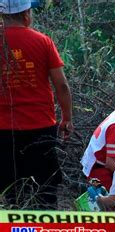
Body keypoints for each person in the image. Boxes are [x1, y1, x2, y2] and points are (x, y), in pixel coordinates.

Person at [0, 0, 73, 209]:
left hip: (3, 130)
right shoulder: (43, 41)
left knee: (12, 192)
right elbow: (62, 85)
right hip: (40, 128)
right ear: (26, 14)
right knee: (46, 189)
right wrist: (67, 119)